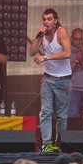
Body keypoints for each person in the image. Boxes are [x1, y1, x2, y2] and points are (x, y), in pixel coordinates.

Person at [29, 8, 72, 152]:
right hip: (48, 79)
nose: (46, 22)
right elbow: (32, 52)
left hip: (63, 80)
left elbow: (67, 53)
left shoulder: (61, 31)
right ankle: (46, 144)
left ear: (55, 21)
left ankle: (60, 144)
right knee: (45, 112)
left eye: (49, 19)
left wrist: (46, 57)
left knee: (61, 116)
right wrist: (38, 35)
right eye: (44, 19)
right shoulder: (43, 34)